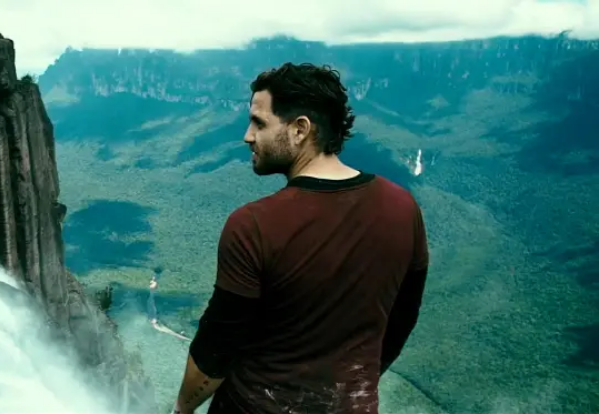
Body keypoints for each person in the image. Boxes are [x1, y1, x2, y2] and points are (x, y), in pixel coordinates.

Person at [169, 63, 430, 414]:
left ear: (300, 129)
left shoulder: (253, 226)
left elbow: (216, 350)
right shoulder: (403, 208)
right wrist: (355, 384)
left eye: (259, 123)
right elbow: (401, 319)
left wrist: (181, 409)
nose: (248, 136)